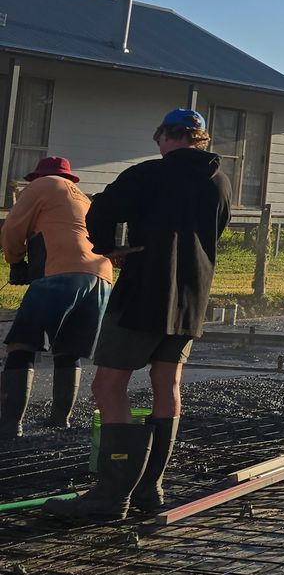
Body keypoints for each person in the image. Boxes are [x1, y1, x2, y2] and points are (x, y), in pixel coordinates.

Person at [47, 109, 231, 522]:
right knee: (168, 383)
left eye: (159, 137)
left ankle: (111, 496)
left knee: (108, 386)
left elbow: (98, 211)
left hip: (145, 291)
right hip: (192, 296)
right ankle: (151, 488)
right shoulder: (220, 181)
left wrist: (109, 248)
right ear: (200, 138)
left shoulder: (148, 174)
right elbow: (215, 232)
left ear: (165, 135)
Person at [0, 157, 113, 437]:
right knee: (68, 350)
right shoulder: (82, 198)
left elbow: (13, 228)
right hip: (100, 277)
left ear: (38, 175)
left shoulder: (42, 185)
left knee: (22, 344)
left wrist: (15, 262)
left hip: (62, 272)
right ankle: (60, 421)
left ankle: (10, 426)